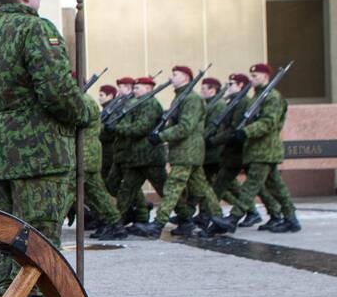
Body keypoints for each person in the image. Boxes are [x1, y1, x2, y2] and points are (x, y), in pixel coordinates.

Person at [0, 0, 91, 297]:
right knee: (37, 240)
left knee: (7, 239)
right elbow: (56, 91)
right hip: (37, 155)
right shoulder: (35, 30)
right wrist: (87, 111)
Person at [132, 66, 233, 238]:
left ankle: (158, 224)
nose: (171, 77)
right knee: (202, 188)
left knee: (172, 187)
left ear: (186, 77)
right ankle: (218, 219)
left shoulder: (191, 99)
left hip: (188, 151)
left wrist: (162, 136)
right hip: (184, 151)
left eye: (175, 74)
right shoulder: (181, 96)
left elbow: (186, 126)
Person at [223, 63, 300, 233]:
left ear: (265, 77)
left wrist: (245, 132)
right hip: (257, 150)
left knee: (250, 186)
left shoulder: (272, 97)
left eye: (255, 76)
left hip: (265, 149)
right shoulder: (257, 97)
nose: (251, 79)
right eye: (251, 76)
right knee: (276, 187)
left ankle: (233, 218)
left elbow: (268, 122)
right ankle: (291, 219)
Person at [114, 77, 167, 232]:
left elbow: (141, 127)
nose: (134, 90)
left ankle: (185, 217)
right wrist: (123, 127)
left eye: (138, 87)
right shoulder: (135, 104)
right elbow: (126, 123)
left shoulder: (151, 104)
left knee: (165, 189)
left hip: (150, 156)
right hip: (136, 157)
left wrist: (120, 128)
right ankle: (116, 222)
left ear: (149, 89)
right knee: (126, 190)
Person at [73, 91, 128, 240]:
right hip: (86, 154)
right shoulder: (83, 99)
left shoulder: (83, 100)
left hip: (85, 154)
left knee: (70, 192)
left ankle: (114, 224)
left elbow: (77, 122)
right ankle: (113, 223)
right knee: (96, 193)